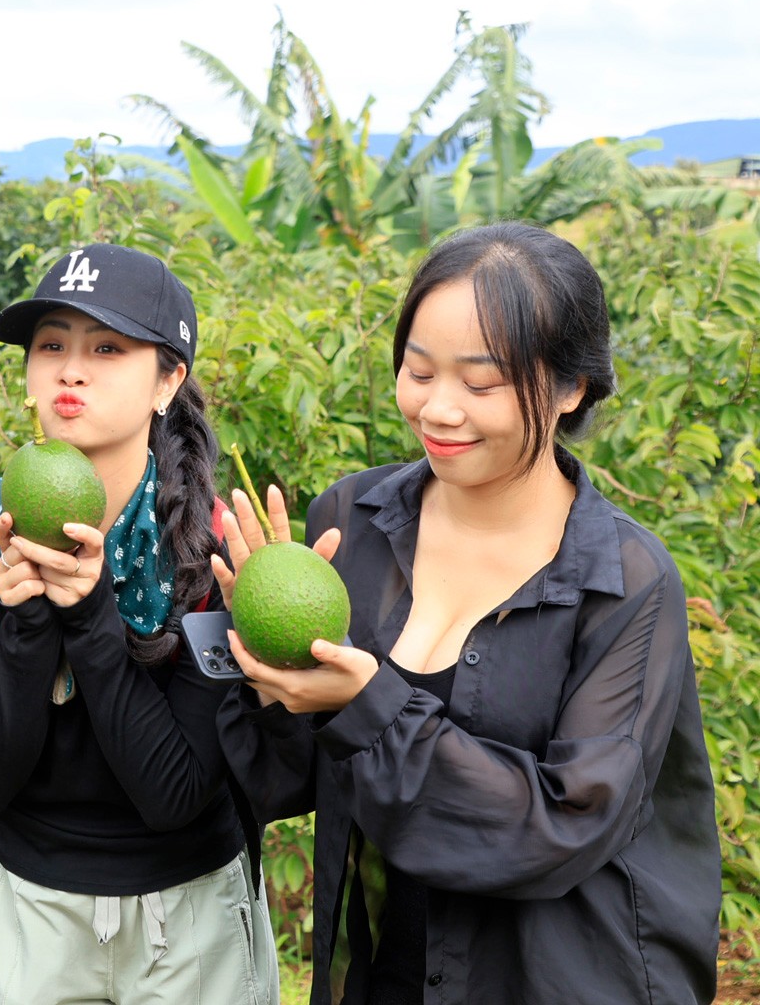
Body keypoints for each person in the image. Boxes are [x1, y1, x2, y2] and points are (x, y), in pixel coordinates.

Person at [215, 222, 720, 1004]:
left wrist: (367, 705)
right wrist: (271, 663)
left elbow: (565, 827)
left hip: (563, 980)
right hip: (389, 972)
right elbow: (294, 775)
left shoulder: (625, 581)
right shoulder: (355, 521)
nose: (438, 409)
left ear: (570, 387)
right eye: (418, 371)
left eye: (480, 384)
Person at [0, 243, 280, 1005]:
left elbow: (175, 794)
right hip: (35, 913)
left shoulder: (214, 553)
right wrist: (25, 626)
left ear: (169, 379)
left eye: (107, 348)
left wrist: (88, 617)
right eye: (50, 345)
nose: (69, 370)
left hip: (191, 922)